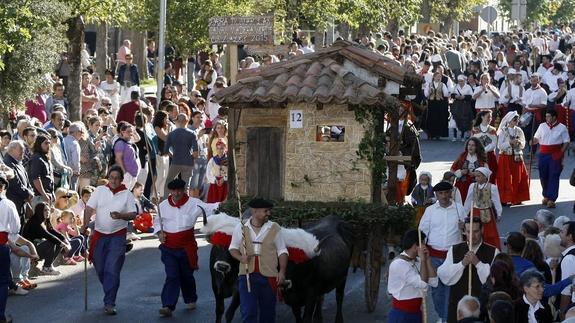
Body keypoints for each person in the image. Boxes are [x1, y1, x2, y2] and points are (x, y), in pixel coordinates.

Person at [154, 178, 219, 317]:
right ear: (170, 191)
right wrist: (160, 233)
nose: (176, 193)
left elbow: (210, 208)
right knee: (172, 276)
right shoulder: (163, 206)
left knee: (186, 276)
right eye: (174, 190)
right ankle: (168, 306)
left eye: (179, 190)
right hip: (169, 248)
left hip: (186, 248)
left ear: (184, 190)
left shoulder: (194, 204)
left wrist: (224, 204)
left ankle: (190, 298)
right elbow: (157, 222)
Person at [82, 166, 137, 315]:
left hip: (117, 236)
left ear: (120, 179)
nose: (114, 180)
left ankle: (110, 302)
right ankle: (109, 289)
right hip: (99, 235)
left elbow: (133, 214)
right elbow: (89, 209)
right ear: (108, 177)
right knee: (100, 268)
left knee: (112, 269)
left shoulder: (127, 194)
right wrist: (85, 224)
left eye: (117, 178)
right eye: (111, 177)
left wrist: (120, 216)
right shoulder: (100, 190)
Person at [229, 198, 288, 323]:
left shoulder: (274, 228)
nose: (269, 213)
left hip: (269, 276)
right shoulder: (241, 227)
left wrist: (282, 271)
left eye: (269, 211)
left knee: (268, 314)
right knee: (248, 312)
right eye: (266, 211)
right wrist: (240, 257)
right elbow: (233, 248)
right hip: (247, 276)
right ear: (255, 211)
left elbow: (282, 251)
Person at [418, 181, 466, 323]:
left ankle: (448, 317)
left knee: (452, 289)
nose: (444, 196)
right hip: (434, 256)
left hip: (454, 256)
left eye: (446, 193)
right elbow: (422, 232)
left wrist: (463, 227)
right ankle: (442, 316)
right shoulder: (430, 211)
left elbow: (468, 232)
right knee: (437, 290)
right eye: (440, 193)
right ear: (436, 195)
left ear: (451, 193)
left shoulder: (460, 209)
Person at [437, 217, 499, 323]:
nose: (472, 236)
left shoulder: (494, 251)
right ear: (464, 232)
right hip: (458, 306)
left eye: (476, 231)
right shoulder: (454, 249)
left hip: (481, 306)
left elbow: (494, 281)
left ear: (482, 230)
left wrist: (478, 263)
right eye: (469, 232)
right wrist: (462, 264)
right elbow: (444, 275)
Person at [0, 172, 39, 322]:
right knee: (2, 281)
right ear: (3, 187)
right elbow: (15, 229)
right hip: (2, 244)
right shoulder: (8, 204)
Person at [388, 229, 438, 323]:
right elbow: (423, 284)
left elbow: (434, 282)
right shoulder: (399, 264)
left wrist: (427, 260)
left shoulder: (418, 260)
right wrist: (423, 261)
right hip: (402, 315)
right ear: (415, 247)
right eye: (423, 244)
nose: (425, 247)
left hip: (416, 313)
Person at [532, 109, 570, 208]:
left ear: (554, 117)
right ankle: (546, 195)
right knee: (543, 175)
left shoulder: (562, 128)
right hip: (543, 153)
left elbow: (566, 142)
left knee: (554, 175)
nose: (546, 118)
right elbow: (536, 138)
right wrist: (533, 140)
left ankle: (552, 198)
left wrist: (561, 153)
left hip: (555, 153)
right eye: (546, 116)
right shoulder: (542, 126)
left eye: (548, 116)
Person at [22, 202, 71, 275]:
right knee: (51, 242)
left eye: (48, 210)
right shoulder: (35, 222)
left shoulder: (45, 220)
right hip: (31, 250)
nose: (48, 212)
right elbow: (48, 235)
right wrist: (63, 245)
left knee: (57, 242)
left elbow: (53, 231)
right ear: (39, 211)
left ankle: (49, 265)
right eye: (45, 210)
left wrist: (65, 240)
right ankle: (46, 268)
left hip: (38, 246)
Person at [463, 167, 503, 249]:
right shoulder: (472, 186)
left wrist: (499, 213)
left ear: (485, 177)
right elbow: (468, 200)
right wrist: (465, 213)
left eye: (479, 176)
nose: (477, 178)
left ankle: (491, 248)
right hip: (475, 212)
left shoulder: (492, 187)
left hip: (487, 212)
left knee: (488, 232)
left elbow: (496, 201)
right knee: (475, 230)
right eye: (476, 176)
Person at [496, 111, 530, 205]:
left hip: (517, 156)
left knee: (518, 177)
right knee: (504, 177)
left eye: (517, 119)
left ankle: (518, 197)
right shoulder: (503, 131)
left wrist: (519, 143)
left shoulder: (519, 130)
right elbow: (500, 146)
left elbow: (523, 143)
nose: (517, 121)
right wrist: (510, 143)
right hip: (506, 156)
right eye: (515, 119)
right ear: (509, 120)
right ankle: (505, 198)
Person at [163, 114, 198, 198]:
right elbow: (196, 153)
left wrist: (173, 156)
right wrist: (190, 158)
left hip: (176, 162)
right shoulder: (192, 134)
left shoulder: (171, 134)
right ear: (187, 121)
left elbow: (165, 151)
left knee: (169, 182)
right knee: (186, 186)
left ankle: (165, 201)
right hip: (188, 163)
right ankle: (185, 204)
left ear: (177, 122)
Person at [3, 141, 34, 224]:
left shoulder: (18, 163)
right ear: (12, 149)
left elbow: (26, 181)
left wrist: (29, 193)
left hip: (22, 205)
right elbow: (15, 184)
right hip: (14, 204)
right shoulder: (7, 163)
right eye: (21, 149)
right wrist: (28, 194)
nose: (23, 152)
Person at [27, 134, 55, 207]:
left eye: (49, 143)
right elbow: (36, 179)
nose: (48, 145)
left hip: (47, 195)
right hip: (39, 197)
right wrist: (44, 194)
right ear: (39, 144)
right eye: (46, 143)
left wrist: (52, 193)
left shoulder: (45, 158)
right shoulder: (36, 158)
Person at [471, 110, 497, 183]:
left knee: (491, 174)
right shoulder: (475, 129)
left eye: (491, 117)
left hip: (490, 156)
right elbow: (472, 141)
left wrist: (484, 149)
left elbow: (494, 143)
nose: (490, 119)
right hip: (478, 155)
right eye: (488, 117)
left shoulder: (492, 130)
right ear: (482, 117)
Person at [113, 122, 141, 190]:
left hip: (132, 174)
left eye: (131, 132)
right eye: (128, 131)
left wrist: (134, 131)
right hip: (126, 175)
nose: (130, 133)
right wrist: (124, 173)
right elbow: (118, 159)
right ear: (122, 132)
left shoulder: (128, 142)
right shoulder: (120, 143)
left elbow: (138, 139)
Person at [424, 71, 450, 140]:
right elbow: (426, 94)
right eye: (437, 76)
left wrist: (441, 92)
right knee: (431, 119)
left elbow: (446, 94)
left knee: (439, 119)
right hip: (431, 104)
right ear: (434, 77)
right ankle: (431, 134)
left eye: (440, 77)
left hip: (439, 104)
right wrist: (429, 92)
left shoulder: (442, 84)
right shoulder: (429, 84)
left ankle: (438, 133)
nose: (438, 78)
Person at [557, 221, 575, 314]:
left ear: (570, 236)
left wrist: (562, 312)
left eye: (562, 232)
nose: (559, 234)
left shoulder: (569, 258)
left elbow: (566, 290)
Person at [450, 75, 474, 142]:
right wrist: (456, 96)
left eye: (462, 81)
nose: (460, 82)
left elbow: (471, 96)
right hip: (457, 105)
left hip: (465, 105)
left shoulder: (468, 87)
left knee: (464, 120)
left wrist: (464, 97)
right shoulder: (455, 86)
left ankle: (462, 136)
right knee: (454, 120)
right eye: (459, 81)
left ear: (464, 81)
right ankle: (454, 136)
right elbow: (452, 94)